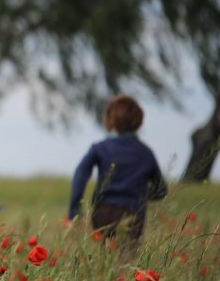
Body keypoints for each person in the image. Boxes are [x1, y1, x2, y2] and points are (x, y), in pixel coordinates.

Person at [67, 94, 167, 246]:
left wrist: (75, 210)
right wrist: (141, 195)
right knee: (127, 260)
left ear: (109, 119)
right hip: (133, 213)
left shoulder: (100, 148)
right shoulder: (145, 152)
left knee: (104, 257)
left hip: (103, 212)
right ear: (138, 121)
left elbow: (80, 174)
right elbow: (161, 190)